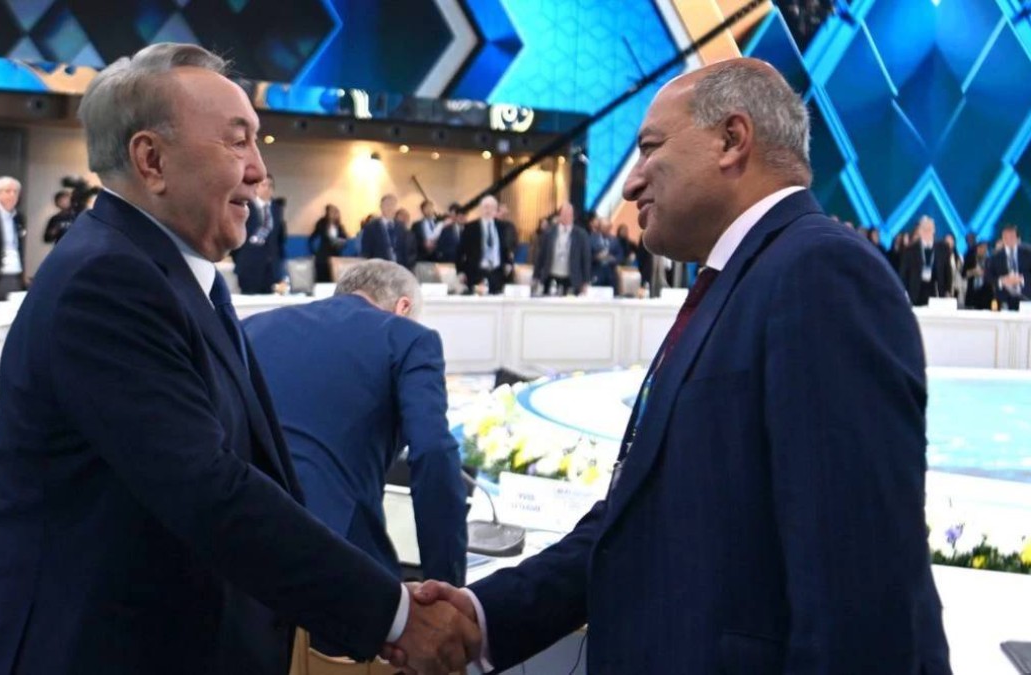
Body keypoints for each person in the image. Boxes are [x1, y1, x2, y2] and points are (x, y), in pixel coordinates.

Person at [404, 57, 951, 675]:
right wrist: (486, 616)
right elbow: (639, 517)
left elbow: (861, 591)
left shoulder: (820, 274)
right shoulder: (740, 282)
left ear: (731, 140)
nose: (631, 184)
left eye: (649, 149)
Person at [0, 43, 476, 675]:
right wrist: (395, 615)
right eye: (237, 142)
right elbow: (210, 490)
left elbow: (252, 470)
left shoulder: (180, 275)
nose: (259, 170)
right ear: (151, 160)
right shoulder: (108, 282)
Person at [243, 259, 468, 613]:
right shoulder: (408, 337)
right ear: (403, 307)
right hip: (339, 560)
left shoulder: (253, 328)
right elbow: (433, 453)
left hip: (239, 547)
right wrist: (447, 585)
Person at [231, 173, 287, 294]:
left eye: (270, 185)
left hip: (272, 270)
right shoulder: (244, 207)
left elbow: (280, 239)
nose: (267, 188)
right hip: (249, 268)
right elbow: (235, 237)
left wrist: (279, 264)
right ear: (256, 188)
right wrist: (241, 259)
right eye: (264, 185)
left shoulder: (277, 209)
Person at [457, 195, 513, 294]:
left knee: (496, 299)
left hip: (497, 272)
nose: (488, 210)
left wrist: (508, 263)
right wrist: (460, 271)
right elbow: (460, 251)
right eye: (486, 207)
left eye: (491, 207)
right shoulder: (470, 227)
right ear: (480, 209)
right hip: (476, 272)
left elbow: (506, 248)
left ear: (495, 210)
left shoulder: (502, 227)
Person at [532, 202, 591, 296]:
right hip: (550, 276)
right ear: (559, 216)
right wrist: (536, 276)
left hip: (572, 278)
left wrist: (586, 281)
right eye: (564, 214)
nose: (567, 217)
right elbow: (541, 256)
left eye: (569, 214)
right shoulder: (549, 232)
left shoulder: (581, 234)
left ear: (573, 216)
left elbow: (586, 258)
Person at [898, 215, 951, 305]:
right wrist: (904, 292)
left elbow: (948, 272)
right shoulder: (910, 250)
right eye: (924, 229)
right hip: (915, 293)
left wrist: (947, 290)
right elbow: (903, 274)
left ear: (934, 230)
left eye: (930, 229)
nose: (927, 232)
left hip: (937, 292)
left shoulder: (943, 249)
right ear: (920, 231)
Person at [361, 194, 415, 268]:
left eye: (392, 205)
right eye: (387, 205)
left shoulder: (401, 227)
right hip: (380, 268)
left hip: (400, 268)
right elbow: (366, 252)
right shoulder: (371, 227)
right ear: (381, 207)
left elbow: (406, 250)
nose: (390, 208)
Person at [986, 223, 1030, 310]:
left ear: (1017, 238)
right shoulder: (995, 256)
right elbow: (988, 276)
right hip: (1004, 299)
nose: (1009, 240)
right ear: (1002, 239)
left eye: (1011, 237)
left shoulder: (1028, 253)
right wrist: (1002, 281)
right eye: (1005, 237)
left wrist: (1022, 279)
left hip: (1027, 298)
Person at [309, 203, 348, 283]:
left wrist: (341, 243)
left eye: (335, 212)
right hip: (322, 258)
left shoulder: (339, 226)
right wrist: (314, 252)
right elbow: (312, 238)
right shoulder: (322, 223)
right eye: (332, 212)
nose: (334, 214)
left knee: (333, 280)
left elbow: (345, 239)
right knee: (321, 280)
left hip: (335, 257)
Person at [963, 240, 993, 310]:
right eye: (982, 248)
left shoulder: (990, 260)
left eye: (985, 248)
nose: (984, 250)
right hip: (972, 292)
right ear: (977, 248)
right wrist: (973, 272)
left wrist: (985, 273)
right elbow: (963, 274)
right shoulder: (970, 259)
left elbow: (993, 276)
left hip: (986, 293)